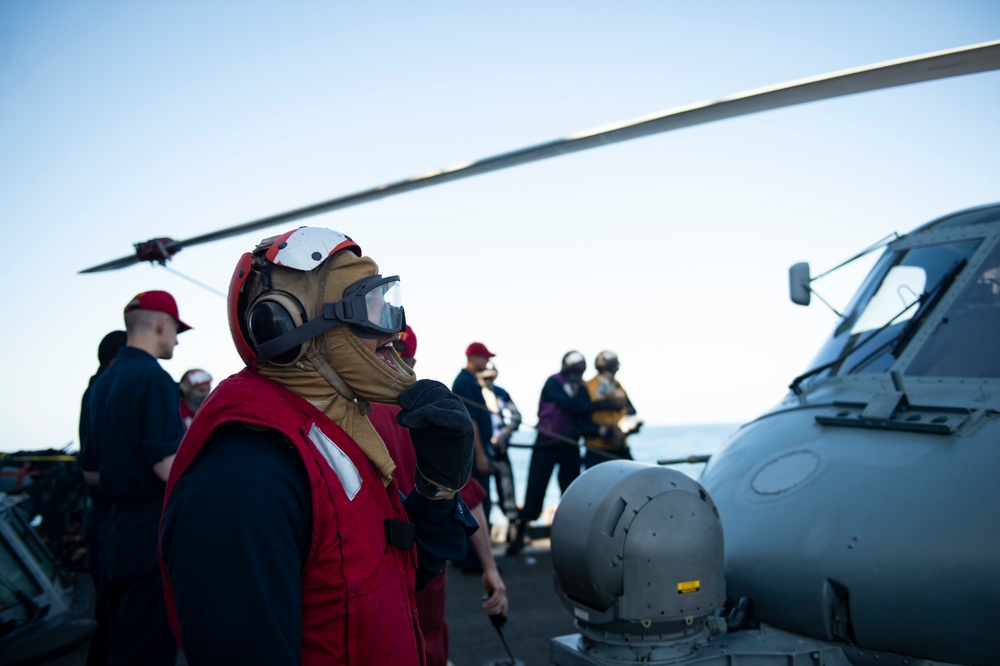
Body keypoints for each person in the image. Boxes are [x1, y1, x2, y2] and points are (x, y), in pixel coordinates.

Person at [159, 227, 478, 665]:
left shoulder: (332, 439)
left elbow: (392, 577)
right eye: (370, 308)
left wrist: (436, 491)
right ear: (285, 325)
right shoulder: (242, 480)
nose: (394, 330)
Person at [375, 326, 508, 666]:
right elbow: (468, 499)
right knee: (429, 640)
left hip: (374, 566)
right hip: (426, 559)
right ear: (412, 361)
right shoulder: (435, 414)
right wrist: (490, 569)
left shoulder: (348, 415)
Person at [85, 291, 190, 666]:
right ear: (162, 322)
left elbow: (91, 470)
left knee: (113, 640)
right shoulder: (155, 379)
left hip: (111, 532)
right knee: (146, 650)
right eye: (176, 330)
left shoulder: (101, 383)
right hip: (146, 533)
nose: (176, 339)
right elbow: (166, 465)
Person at [506, 351, 625, 556]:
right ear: (564, 368)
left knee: (572, 490)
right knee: (536, 488)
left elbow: (583, 410)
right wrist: (603, 404)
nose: (577, 375)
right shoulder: (553, 383)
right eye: (574, 371)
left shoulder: (581, 387)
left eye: (580, 371)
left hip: (569, 444)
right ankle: (519, 536)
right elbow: (576, 406)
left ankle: (573, 537)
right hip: (547, 442)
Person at [76, 329, 127, 666]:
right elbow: (91, 470)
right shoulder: (105, 391)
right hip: (111, 518)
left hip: (103, 519)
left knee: (110, 618)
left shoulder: (94, 391)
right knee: (116, 619)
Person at [452, 341, 496, 572]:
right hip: (472, 453)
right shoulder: (466, 382)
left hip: (467, 452)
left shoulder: (468, 381)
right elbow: (472, 421)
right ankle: (475, 560)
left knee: (467, 503)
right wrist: (480, 454)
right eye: (484, 357)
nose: (488, 362)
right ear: (474, 357)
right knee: (478, 502)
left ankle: (465, 555)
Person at [478, 362, 521, 535]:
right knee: (483, 495)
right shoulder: (475, 394)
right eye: (485, 377)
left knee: (507, 492)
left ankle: (513, 530)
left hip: (500, 451)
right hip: (483, 450)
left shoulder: (501, 393)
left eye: (491, 377)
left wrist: (506, 431)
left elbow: (516, 416)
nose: (489, 381)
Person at [583, 350, 641, 468]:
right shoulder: (588, 387)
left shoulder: (618, 387)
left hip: (620, 446)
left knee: (634, 477)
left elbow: (631, 411)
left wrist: (630, 427)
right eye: (611, 365)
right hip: (597, 448)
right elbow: (580, 415)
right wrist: (601, 430)